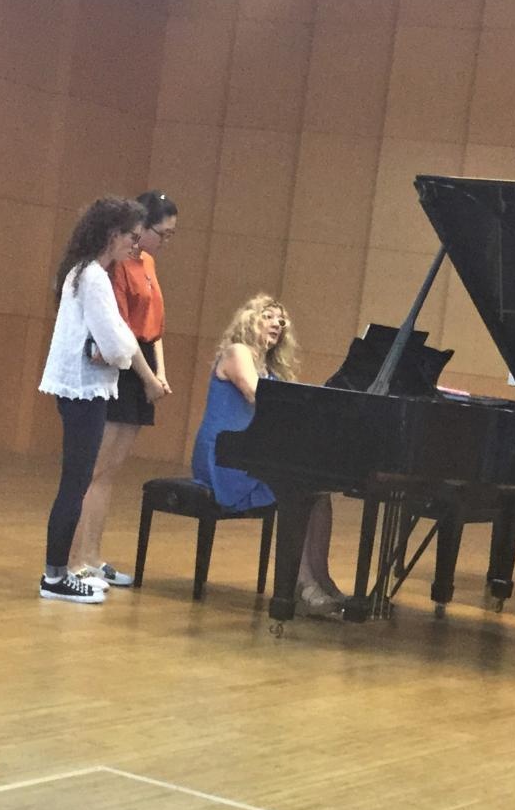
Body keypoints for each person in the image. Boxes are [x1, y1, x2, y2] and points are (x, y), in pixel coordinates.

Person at [37, 197, 166, 604]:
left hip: (84, 388)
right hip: (84, 390)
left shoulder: (85, 271)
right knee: (75, 484)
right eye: (131, 237)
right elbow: (116, 343)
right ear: (112, 234)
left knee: (76, 482)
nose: (135, 245)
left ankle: (59, 572)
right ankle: (55, 576)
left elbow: (119, 338)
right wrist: (122, 354)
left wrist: (119, 349)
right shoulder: (92, 276)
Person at [191, 294, 344, 614]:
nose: (277, 324)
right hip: (223, 457)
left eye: (281, 320)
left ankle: (321, 578)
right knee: (299, 491)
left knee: (318, 492)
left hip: (248, 452)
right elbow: (255, 395)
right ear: (250, 320)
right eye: (268, 316)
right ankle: (303, 584)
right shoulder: (237, 352)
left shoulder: (271, 367)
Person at [69, 191, 178, 591]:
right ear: (140, 228)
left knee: (111, 471)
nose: (164, 242)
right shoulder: (114, 269)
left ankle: (93, 557)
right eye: (161, 233)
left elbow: (154, 327)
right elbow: (121, 332)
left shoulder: (148, 263)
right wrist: (147, 378)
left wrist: (159, 373)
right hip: (123, 364)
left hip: (143, 360)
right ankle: (75, 560)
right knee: (95, 470)